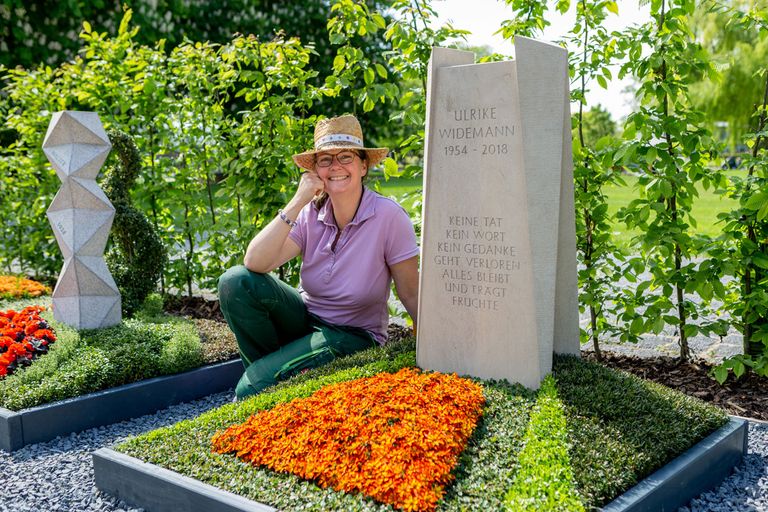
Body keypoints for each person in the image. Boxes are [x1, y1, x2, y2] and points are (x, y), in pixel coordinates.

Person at [218, 114, 420, 400]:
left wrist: (432, 352)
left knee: (250, 388)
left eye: (346, 157)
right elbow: (254, 263)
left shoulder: (389, 217)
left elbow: (411, 293)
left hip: (353, 335)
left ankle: (262, 385)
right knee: (235, 281)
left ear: (363, 166)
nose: (335, 166)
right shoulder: (311, 213)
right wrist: (298, 199)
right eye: (325, 159)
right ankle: (269, 384)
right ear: (315, 171)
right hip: (306, 319)